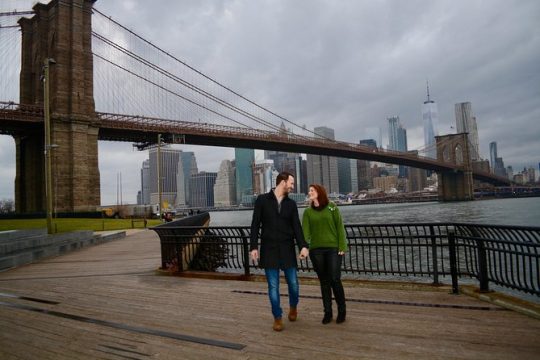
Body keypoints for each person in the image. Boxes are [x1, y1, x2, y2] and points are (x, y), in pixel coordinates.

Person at [250, 171, 309, 332]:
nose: (292, 186)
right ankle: (277, 317)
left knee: (294, 284)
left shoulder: (291, 204)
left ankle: (293, 307)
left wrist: (303, 246)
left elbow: (297, 227)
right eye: (291, 182)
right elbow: (255, 225)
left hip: (287, 249)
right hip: (269, 249)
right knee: (273, 287)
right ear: (283, 182)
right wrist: (254, 247)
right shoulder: (262, 200)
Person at [302, 184, 348, 324]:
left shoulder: (332, 206)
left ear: (319, 192)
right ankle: (327, 312)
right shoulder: (308, 212)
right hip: (316, 251)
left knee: (335, 279)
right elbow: (305, 233)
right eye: (309, 190)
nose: (309, 192)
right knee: (324, 281)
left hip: (333, 249)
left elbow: (340, 226)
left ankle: (342, 311)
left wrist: (342, 246)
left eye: (312, 190)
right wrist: (304, 248)